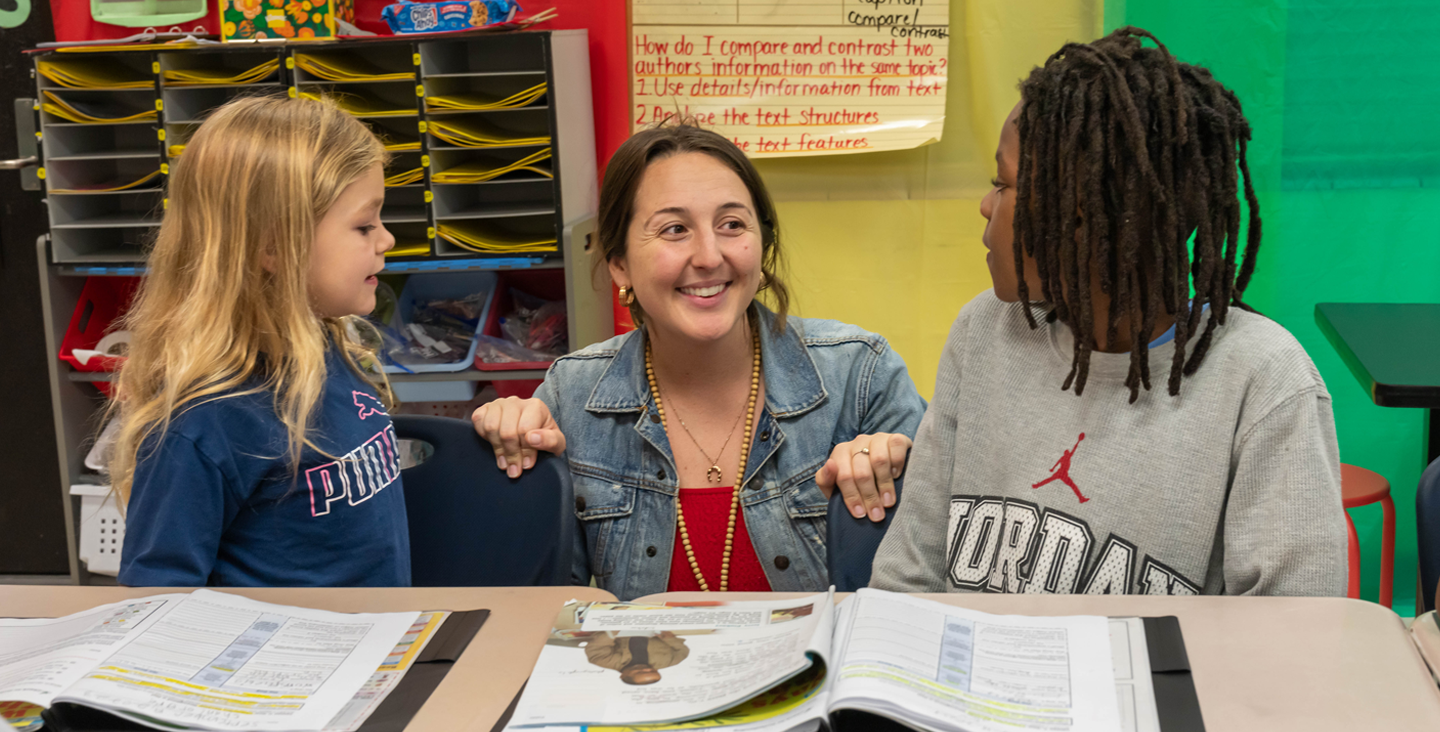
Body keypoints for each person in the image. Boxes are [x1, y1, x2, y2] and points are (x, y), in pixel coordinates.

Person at [871, 27, 1347, 596]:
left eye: (1004, 184)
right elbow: (907, 580)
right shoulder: (984, 331)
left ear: (1097, 218)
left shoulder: (1263, 379)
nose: (984, 204)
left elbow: (1294, 642)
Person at [472, 119, 927, 600]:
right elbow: (541, 607)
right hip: (645, 674)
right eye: (674, 229)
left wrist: (895, 467)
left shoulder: (861, 375)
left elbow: (931, 575)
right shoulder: (573, 395)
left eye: (732, 225)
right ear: (619, 261)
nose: (709, 256)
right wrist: (507, 458)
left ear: (762, 243)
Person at [112, 95, 408, 587]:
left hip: (379, 647)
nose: (386, 239)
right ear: (274, 246)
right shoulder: (203, 425)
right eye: (363, 225)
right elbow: (155, 599)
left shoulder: (326, 348)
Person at [584, 631, 691, 686]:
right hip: (656, 622)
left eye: (640, 672)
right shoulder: (671, 661)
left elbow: (597, 646)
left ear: (623, 675)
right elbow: (683, 652)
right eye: (652, 670)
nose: (646, 668)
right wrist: (670, 639)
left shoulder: (602, 660)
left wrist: (613, 632)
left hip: (620, 622)